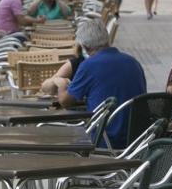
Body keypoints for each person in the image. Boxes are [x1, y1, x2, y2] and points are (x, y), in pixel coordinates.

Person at [59, 19, 147, 148]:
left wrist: (61, 84)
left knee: (59, 136)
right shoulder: (133, 62)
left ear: (85, 46)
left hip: (104, 138)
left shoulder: (89, 65)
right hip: (136, 139)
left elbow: (65, 101)